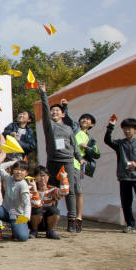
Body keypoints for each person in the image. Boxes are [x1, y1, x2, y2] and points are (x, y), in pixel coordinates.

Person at [38, 83, 82, 232]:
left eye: (57, 110)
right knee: (52, 190)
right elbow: (44, 110)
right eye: (52, 111)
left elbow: (74, 145)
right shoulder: (48, 126)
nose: (54, 112)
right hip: (53, 161)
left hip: (68, 161)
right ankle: (51, 219)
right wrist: (44, 94)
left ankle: (72, 220)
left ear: (63, 114)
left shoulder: (69, 128)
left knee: (69, 190)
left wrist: (79, 157)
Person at [104, 117, 136, 234]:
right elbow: (107, 140)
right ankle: (130, 225)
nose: (127, 131)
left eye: (129, 129)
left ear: (135, 130)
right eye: (124, 129)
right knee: (126, 201)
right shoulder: (120, 144)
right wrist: (110, 126)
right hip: (124, 176)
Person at [69, 112, 100, 232]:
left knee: (77, 191)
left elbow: (97, 154)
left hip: (77, 165)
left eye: (87, 119)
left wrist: (87, 147)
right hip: (65, 161)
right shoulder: (75, 129)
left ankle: (78, 218)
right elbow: (69, 117)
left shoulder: (91, 140)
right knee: (60, 189)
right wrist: (66, 107)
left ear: (92, 124)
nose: (84, 120)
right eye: (82, 118)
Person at [0, 160, 31, 242]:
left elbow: (27, 204)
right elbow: (0, 167)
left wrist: (26, 218)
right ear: (12, 170)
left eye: (22, 170)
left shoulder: (23, 185)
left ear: (26, 173)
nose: (19, 172)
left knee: (22, 237)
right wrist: (13, 162)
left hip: (17, 215)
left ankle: (18, 229)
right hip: (6, 211)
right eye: (16, 169)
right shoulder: (9, 179)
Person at [28, 166, 61, 239]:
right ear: (35, 177)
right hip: (33, 220)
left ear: (48, 177)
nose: (42, 178)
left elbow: (64, 192)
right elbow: (36, 204)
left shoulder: (53, 189)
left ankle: (50, 231)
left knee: (55, 210)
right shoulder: (29, 190)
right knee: (37, 208)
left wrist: (64, 178)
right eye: (39, 176)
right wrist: (33, 188)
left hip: (47, 221)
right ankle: (34, 231)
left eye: (44, 176)